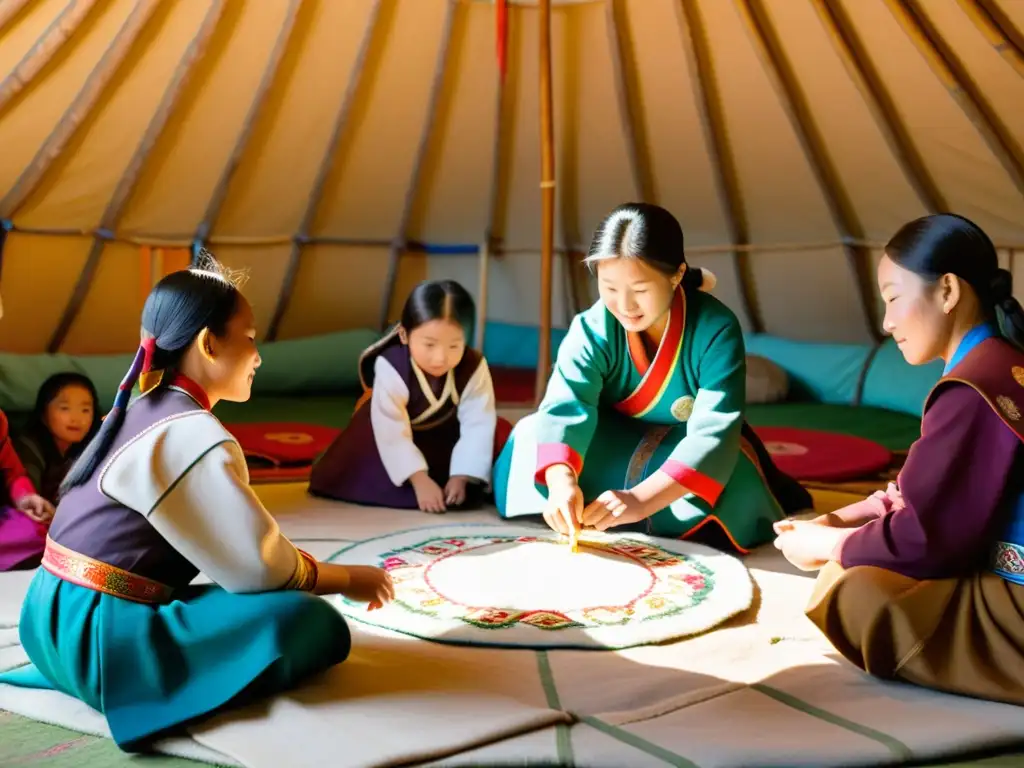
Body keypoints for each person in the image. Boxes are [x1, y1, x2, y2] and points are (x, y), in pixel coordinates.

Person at [0, 258, 395, 751]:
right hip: (98, 642)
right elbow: (257, 568)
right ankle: (145, 685)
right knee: (310, 621)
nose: (258, 356)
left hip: (46, 619)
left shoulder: (136, 409)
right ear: (209, 344)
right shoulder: (191, 433)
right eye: (250, 338)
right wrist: (346, 579)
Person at [774, 213, 1024, 705]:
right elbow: (922, 490)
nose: (886, 322)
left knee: (856, 589)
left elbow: (927, 538)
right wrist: (840, 519)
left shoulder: (971, 387)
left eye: (892, 298)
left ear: (948, 291)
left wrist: (831, 546)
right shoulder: (1002, 361)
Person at [492, 203, 811, 552]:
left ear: (676, 275)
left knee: (730, 473)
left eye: (640, 290)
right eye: (609, 288)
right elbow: (566, 408)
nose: (624, 305)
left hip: (678, 448)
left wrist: (641, 500)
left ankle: (645, 510)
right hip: (606, 437)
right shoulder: (592, 328)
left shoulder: (716, 329)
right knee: (530, 435)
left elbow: (713, 433)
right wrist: (561, 482)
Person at [309, 279, 511, 513]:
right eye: (429, 344)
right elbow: (391, 429)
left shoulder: (474, 365)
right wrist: (419, 480)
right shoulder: (392, 365)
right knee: (363, 480)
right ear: (404, 335)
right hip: (387, 442)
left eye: (454, 346)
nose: (440, 358)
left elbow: (478, 423)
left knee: (494, 442)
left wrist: (462, 474)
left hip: (444, 440)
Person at [14, 372, 101, 505]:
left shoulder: (94, 448)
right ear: (43, 414)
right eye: (65, 408)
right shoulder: (28, 447)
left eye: (85, 410)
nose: (76, 419)